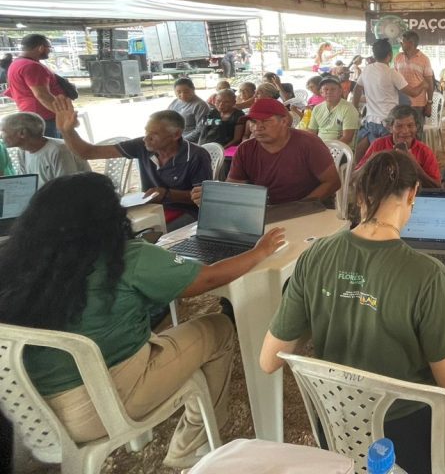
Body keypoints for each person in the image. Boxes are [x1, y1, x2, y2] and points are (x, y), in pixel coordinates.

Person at [0, 172, 287, 470]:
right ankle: (192, 444)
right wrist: (260, 251)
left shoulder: (18, 266)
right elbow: (209, 279)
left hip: (32, 412)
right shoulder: (127, 258)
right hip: (102, 406)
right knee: (220, 327)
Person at [259, 151, 445, 474]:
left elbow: (268, 360)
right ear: (413, 195)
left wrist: (330, 304)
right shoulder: (427, 274)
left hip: (334, 428)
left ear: (359, 195)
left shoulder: (314, 256)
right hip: (406, 445)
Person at [54, 97, 212, 229]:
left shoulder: (196, 155)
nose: (146, 138)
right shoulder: (142, 146)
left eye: (154, 134)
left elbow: (205, 197)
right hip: (148, 208)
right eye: (146, 132)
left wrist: (167, 194)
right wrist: (67, 131)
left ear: (176, 135)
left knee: (142, 235)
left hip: (187, 213)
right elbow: (88, 152)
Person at [196, 98, 339, 206]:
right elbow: (235, 187)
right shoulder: (245, 149)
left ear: (284, 121)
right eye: (253, 122)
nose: (257, 128)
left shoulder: (308, 143)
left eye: (265, 121)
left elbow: (332, 182)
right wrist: (214, 194)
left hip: (309, 211)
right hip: (264, 211)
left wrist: (299, 207)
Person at [353, 38, 426, 160]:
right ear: (390, 55)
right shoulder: (392, 73)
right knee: (390, 157)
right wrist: (423, 84)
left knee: (370, 155)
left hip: (370, 121)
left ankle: (359, 169)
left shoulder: (367, 69)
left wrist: (355, 107)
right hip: (388, 123)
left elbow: (357, 89)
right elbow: (413, 93)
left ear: (374, 54)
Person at [357, 105, 440, 188]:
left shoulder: (424, 151)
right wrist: (372, 161)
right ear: (390, 128)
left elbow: (436, 186)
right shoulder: (378, 145)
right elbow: (356, 176)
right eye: (399, 126)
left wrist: (414, 165)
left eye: (410, 125)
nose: (405, 131)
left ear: (416, 127)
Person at [3, 34, 66, 138]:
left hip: (32, 114)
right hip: (44, 117)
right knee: (52, 145)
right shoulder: (32, 66)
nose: (50, 50)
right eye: (49, 47)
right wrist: (63, 113)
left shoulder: (16, 63)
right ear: (41, 48)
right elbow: (42, 95)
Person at [0, 111, 90, 183]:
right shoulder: (22, 151)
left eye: (3, 131)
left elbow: (66, 187)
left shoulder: (59, 150)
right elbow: (25, 183)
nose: (1, 136)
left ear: (22, 133)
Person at [306, 76, 359, 145]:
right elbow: (311, 131)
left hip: (340, 148)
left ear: (340, 91)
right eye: (326, 89)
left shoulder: (349, 109)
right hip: (320, 146)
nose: (329, 92)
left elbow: (347, 138)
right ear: (321, 92)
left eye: (333, 89)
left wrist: (326, 148)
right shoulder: (317, 108)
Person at [395, 31, 435, 120]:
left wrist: (429, 103)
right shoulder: (398, 57)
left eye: (403, 41)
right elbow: (395, 80)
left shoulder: (424, 59)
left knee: (417, 128)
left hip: (418, 105)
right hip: (400, 103)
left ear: (410, 43)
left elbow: (429, 83)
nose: (401, 44)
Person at [168, 77, 210, 143]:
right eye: (178, 92)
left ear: (193, 89)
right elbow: (166, 119)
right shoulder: (175, 102)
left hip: (188, 141)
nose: (182, 95)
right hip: (173, 137)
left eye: (186, 92)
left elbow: (200, 130)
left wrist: (180, 141)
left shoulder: (201, 105)